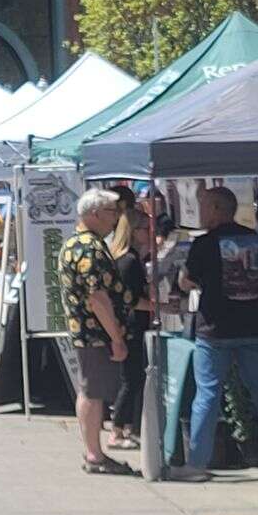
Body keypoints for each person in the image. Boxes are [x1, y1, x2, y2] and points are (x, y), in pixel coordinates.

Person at [173, 186, 258, 479]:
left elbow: (187, 281)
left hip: (214, 331)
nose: (199, 212)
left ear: (217, 209)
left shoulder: (204, 244)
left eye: (203, 206)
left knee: (207, 395)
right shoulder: (252, 238)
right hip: (251, 325)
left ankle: (197, 464)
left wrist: (188, 280)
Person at [61, 189, 136, 476]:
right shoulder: (89, 248)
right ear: (94, 214)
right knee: (92, 392)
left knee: (90, 390)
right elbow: (98, 298)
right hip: (94, 333)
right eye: (111, 212)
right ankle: (94, 453)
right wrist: (116, 338)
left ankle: (94, 450)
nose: (116, 219)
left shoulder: (76, 243)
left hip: (87, 331)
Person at [109, 208, 155, 453]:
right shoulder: (128, 261)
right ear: (133, 232)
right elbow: (131, 299)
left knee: (134, 377)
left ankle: (125, 426)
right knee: (131, 378)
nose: (149, 233)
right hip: (131, 326)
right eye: (145, 229)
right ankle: (117, 429)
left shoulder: (130, 258)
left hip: (131, 324)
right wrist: (157, 306)